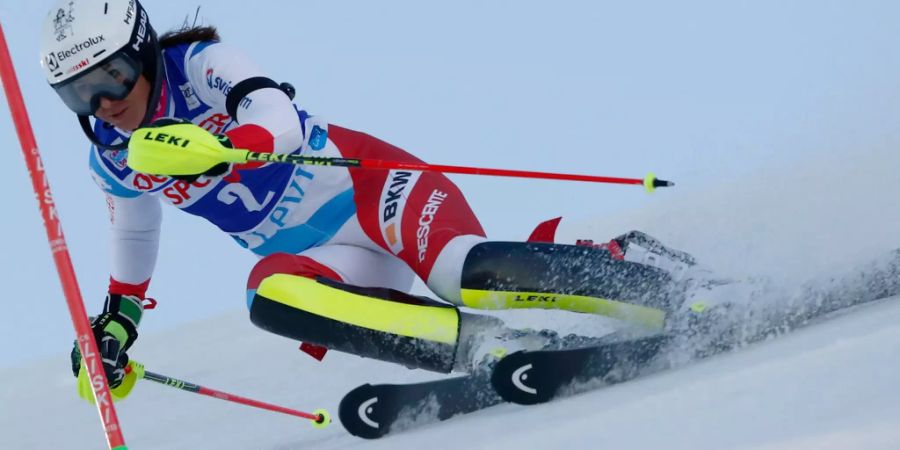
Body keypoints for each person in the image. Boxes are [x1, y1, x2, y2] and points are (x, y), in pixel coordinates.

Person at [40, 0, 727, 396]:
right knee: (269, 296)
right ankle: (493, 349)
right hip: (325, 257)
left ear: (144, 52)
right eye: (80, 94)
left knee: (466, 275)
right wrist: (117, 325)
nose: (104, 103)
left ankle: (652, 282)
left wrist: (232, 143)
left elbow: (273, 109)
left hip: (377, 193)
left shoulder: (197, 67)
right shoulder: (112, 154)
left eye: (113, 77)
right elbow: (134, 234)